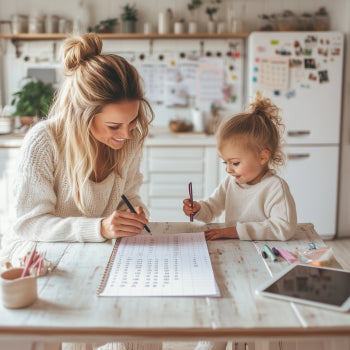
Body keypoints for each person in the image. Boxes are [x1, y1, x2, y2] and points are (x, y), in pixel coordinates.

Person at [0, 33, 160, 350]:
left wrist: (134, 213)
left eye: (131, 122)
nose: (126, 134)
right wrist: (99, 227)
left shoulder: (127, 142)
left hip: (98, 255)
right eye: (114, 126)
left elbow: (130, 193)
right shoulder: (44, 142)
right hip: (46, 260)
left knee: (144, 335)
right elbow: (29, 224)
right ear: (83, 115)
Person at [183, 92, 297, 350]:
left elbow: (284, 228)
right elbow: (212, 208)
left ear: (263, 156)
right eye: (225, 163)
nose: (228, 170)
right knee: (222, 305)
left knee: (253, 316)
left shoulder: (274, 188)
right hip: (234, 257)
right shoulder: (231, 182)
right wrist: (198, 208)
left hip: (265, 263)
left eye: (235, 163)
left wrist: (235, 230)